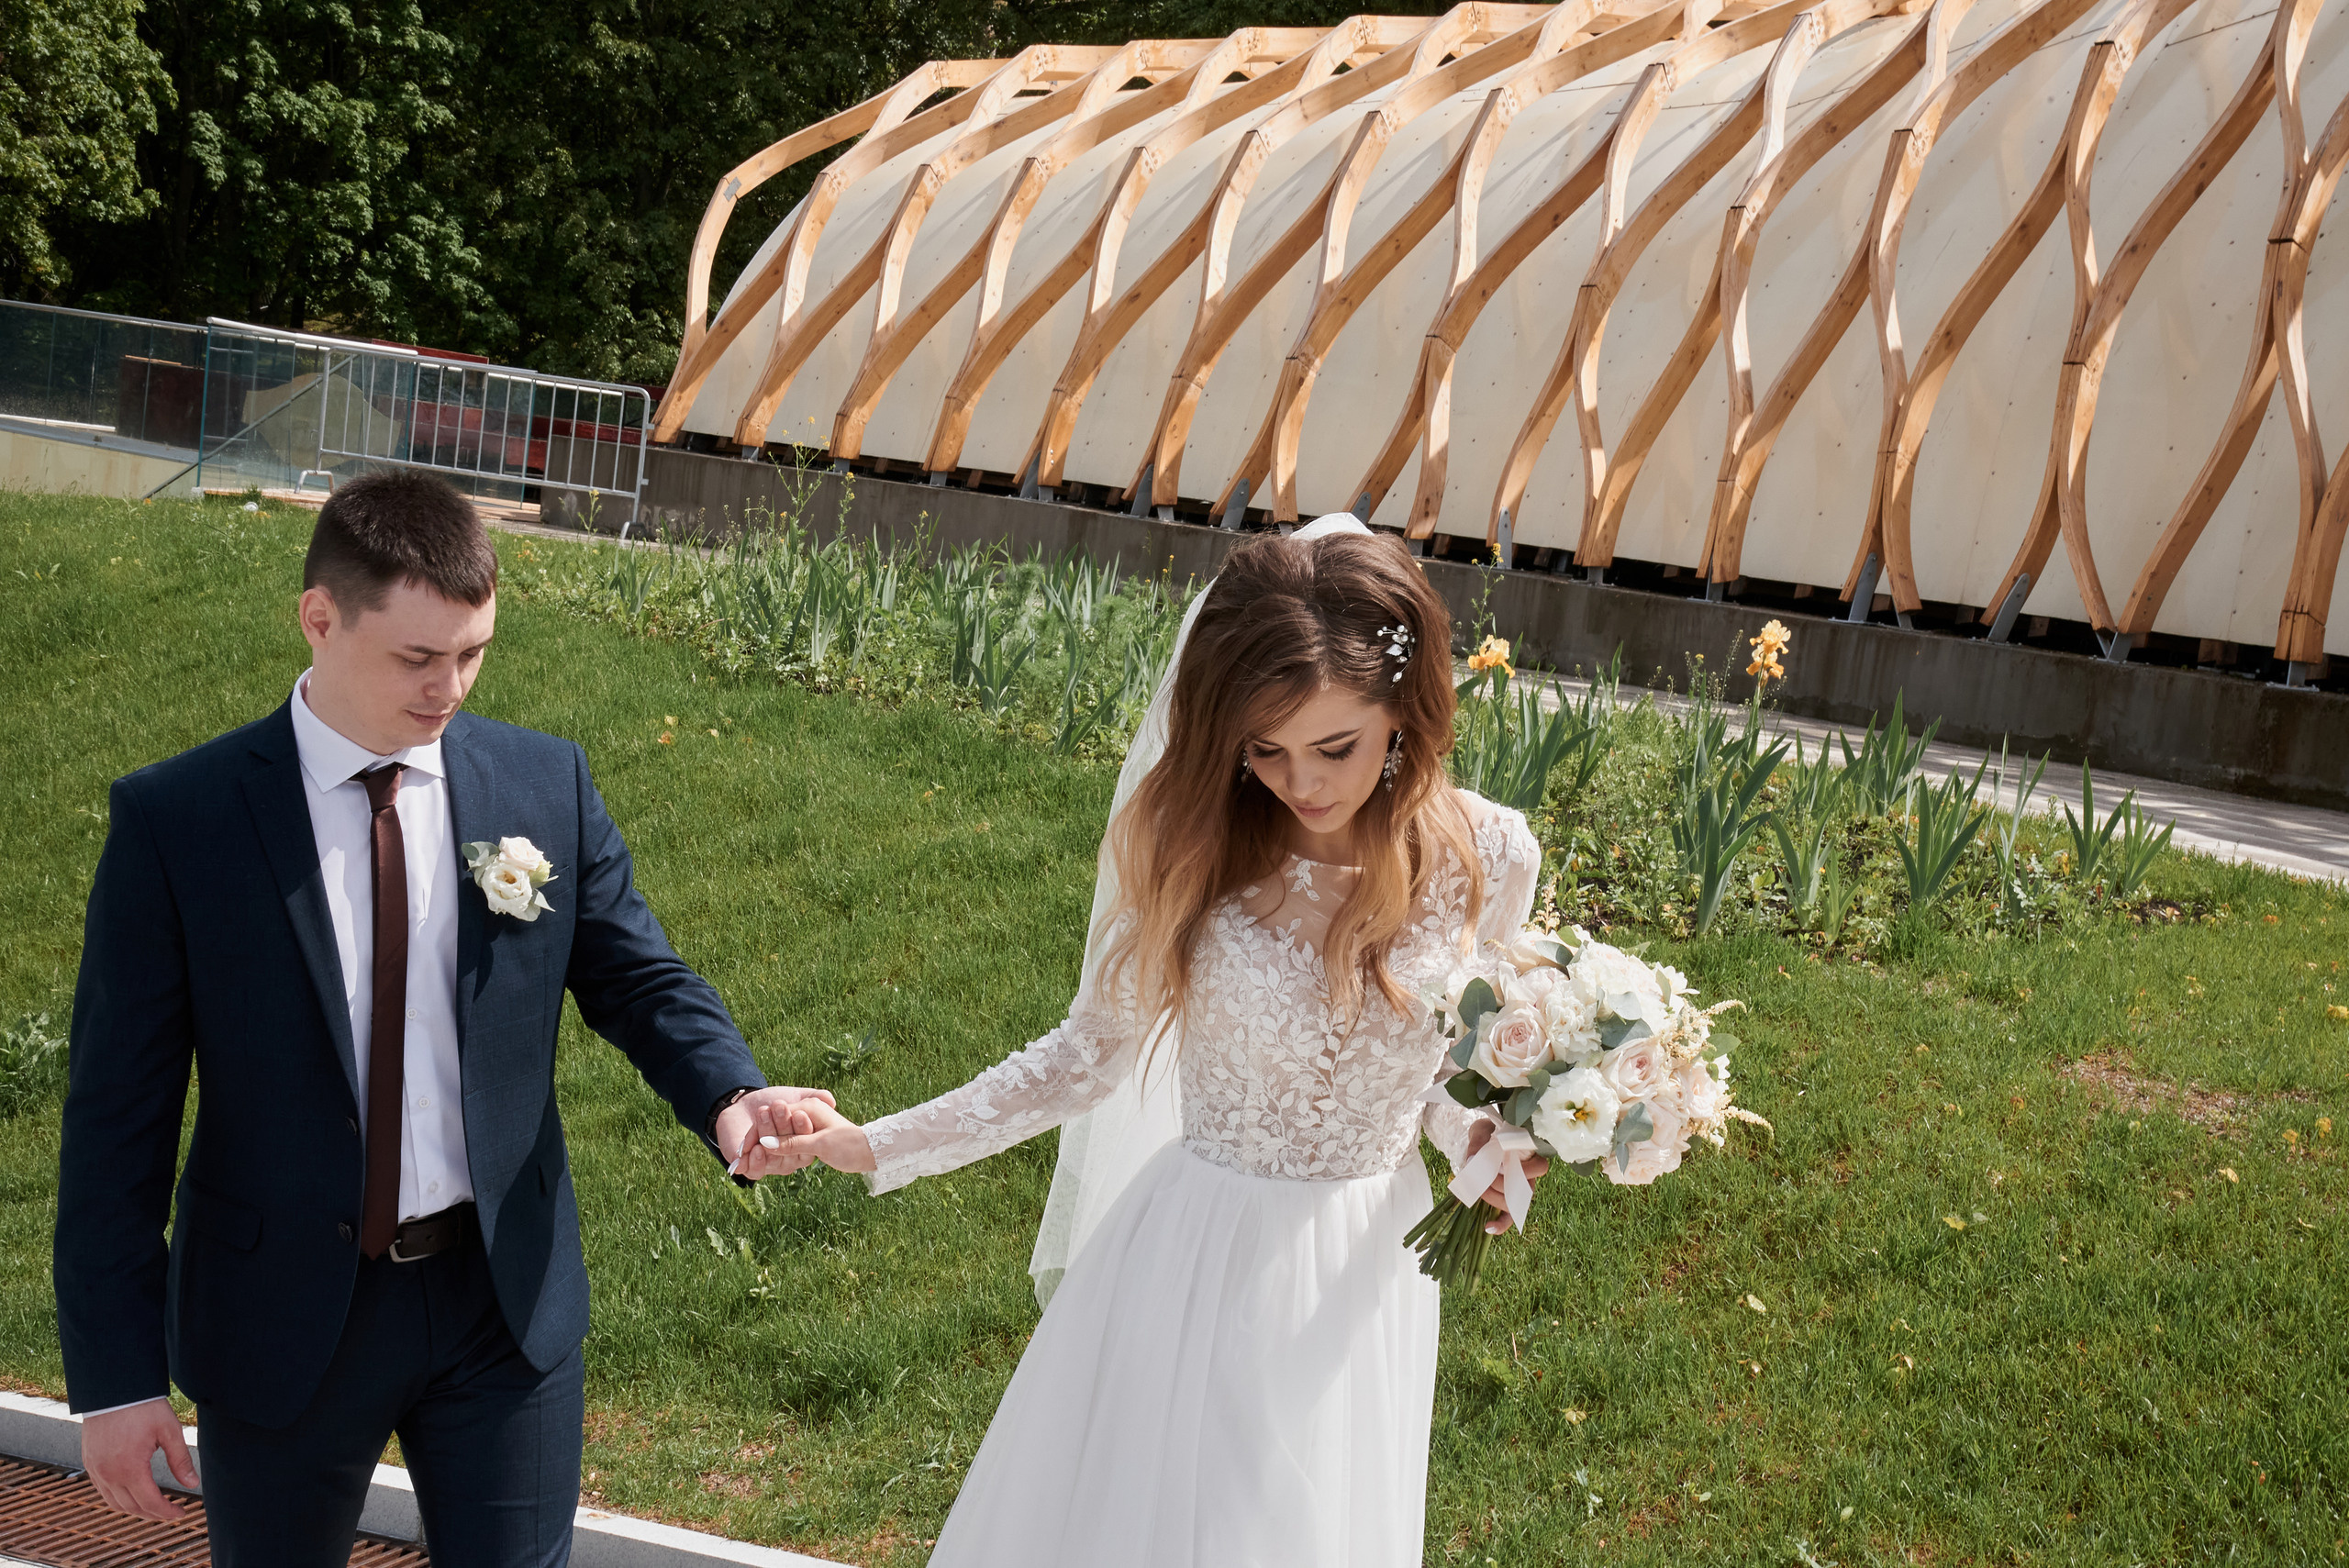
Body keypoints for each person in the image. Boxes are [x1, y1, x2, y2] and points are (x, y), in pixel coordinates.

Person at [54, 472, 833, 1566]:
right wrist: (117, 1378)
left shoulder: (540, 781)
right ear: (319, 618)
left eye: (472, 652)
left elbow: (638, 978)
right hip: (280, 1316)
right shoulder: (178, 822)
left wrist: (732, 1091)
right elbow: (113, 1126)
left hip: (499, 1303)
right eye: (419, 658)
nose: (450, 687)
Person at [740, 517, 1550, 1566]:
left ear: (1409, 707)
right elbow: (1085, 1055)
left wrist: (1486, 1141)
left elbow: (1444, 1058)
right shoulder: (1199, 847)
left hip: (1368, 1269)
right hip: (1201, 1262)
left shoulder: (1487, 852)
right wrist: (874, 1141)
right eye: (1264, 748)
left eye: (1334, 746)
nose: (1300, 781)